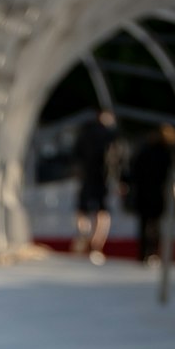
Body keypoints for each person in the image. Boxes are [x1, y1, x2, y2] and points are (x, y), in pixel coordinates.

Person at [71, 107, 118, 263]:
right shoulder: (110, 135)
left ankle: (83, 233)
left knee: (82, 210)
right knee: (102, 213)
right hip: (101, 179)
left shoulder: (84, 133)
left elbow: (75, 155)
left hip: (86, 177)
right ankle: (96, 245)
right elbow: (116, 159)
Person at [128, 124, 175, 264]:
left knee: (144, 224)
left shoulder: (143, 151)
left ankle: (142, 253)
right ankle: (152, 252)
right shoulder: (166, 153)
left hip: (143, 192)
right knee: (155, 224)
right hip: (157, 193)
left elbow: (134, 171)